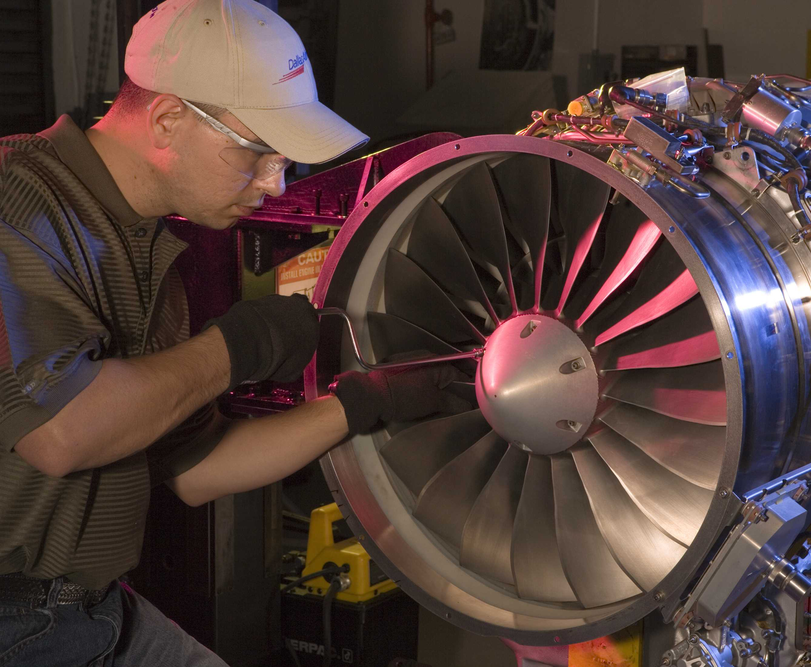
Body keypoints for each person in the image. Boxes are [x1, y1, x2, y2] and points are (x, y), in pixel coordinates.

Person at [0, 0, 467, 664]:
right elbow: (62, 431)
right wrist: (241, 345)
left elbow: (197, 467)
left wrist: (367, 400)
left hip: (93, 608)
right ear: (168, 119)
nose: (276, 185)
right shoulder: (18, 202)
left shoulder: (150, 252)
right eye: (258, 154)